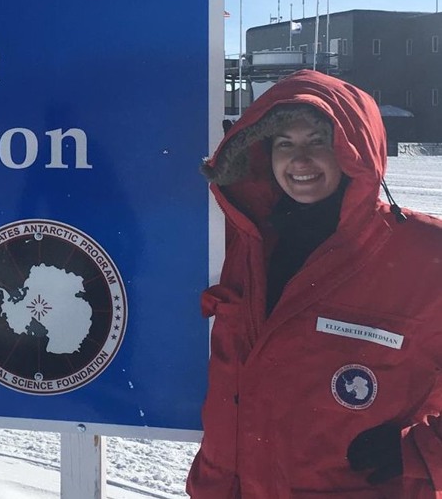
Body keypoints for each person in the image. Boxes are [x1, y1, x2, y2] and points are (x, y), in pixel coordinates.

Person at [186, 69, 442, 498]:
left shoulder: (425, 256)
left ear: (354, 151)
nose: (299, 160)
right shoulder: (235, 243)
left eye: (318, 141)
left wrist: (426, 452)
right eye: (284, 143)